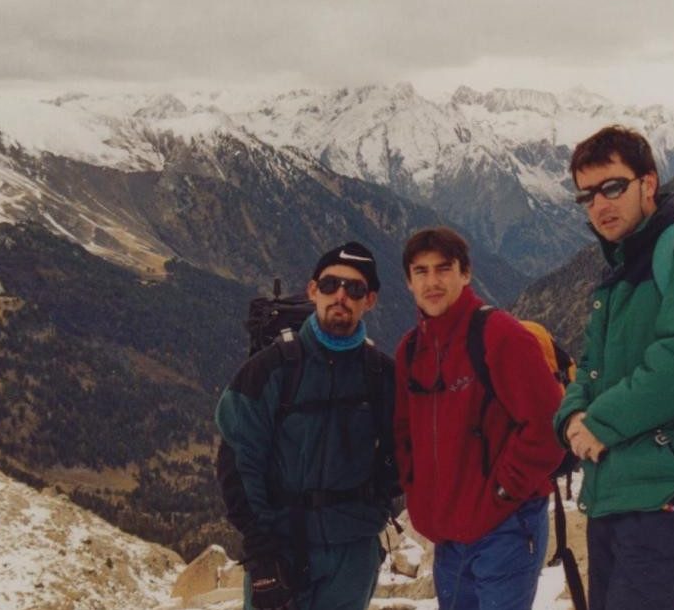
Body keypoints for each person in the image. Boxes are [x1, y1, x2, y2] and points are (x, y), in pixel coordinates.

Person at [554, 126, 674, 610]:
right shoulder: (619, 271)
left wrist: (599, 422)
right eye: (587, 195)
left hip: (668, 493)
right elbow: (590, 367)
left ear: (648, 184)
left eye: (613, 186)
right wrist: (572, 418)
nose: (600, 204)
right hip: (614, 491)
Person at [216, 242, 399, 610]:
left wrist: (376, 505)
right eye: (331, 284)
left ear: (371, 300)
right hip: (281, 545)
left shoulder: (381, 374)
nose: (341, 296)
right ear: (313, 290)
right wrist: (261, 550)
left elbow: (404, 449)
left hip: (353, 550)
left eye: (356, 289)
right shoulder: (270, 369)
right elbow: (237, 460)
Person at [393, 227, 565, 610]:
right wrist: (417, 490)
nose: (432, 282)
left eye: (443, 269)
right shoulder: (410, 349)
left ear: (465, 273)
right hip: (448, 534)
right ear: (408, 282)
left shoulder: (499, 335)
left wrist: (503, 492)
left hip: (506, 528)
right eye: (421, 272)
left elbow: (548, 425)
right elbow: (404, 433)